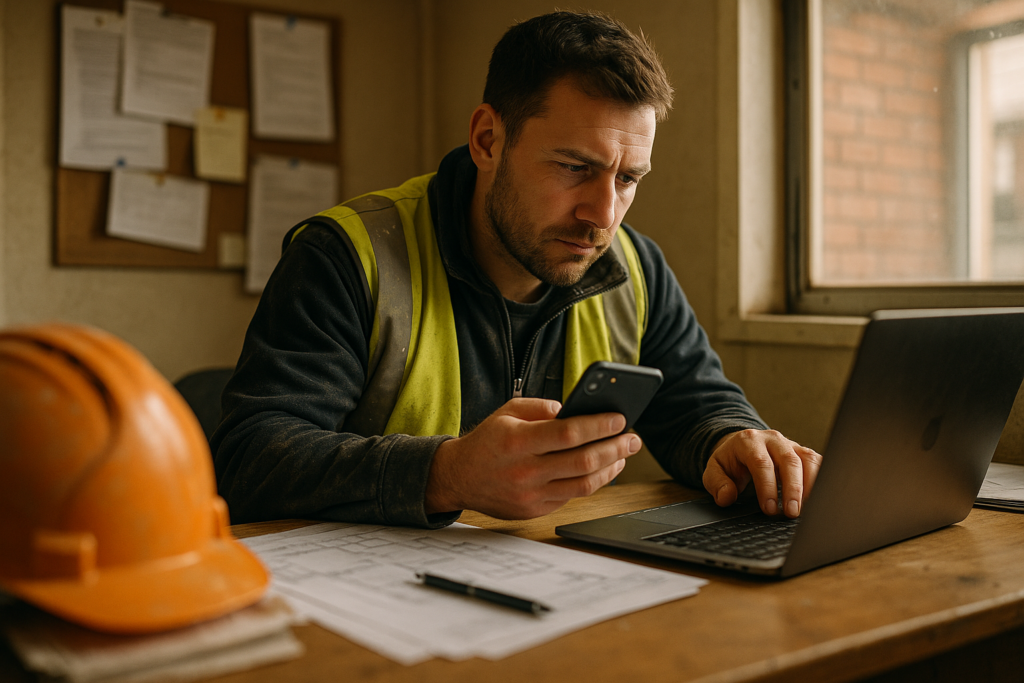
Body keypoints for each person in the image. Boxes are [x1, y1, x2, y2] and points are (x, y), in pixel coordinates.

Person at [211, 10, 821, 528]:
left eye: (628, 178)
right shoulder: (345, 255)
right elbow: (250, 459)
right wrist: (444, 474)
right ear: (486, 140)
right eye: (573, 166)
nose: (601, 215)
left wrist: (733, 441)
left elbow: (695, 403)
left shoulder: (636, 268)